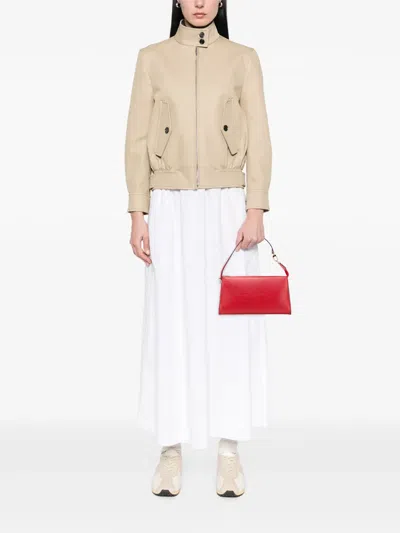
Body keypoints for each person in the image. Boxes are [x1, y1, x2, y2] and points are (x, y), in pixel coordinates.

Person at [124, 0, 272, 497]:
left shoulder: (243, 58)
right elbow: (136, 140)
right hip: (168, 204)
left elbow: (260, 137)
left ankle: (229, 453)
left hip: (229, 205)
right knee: (171, 322)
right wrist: (138, 211)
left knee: (231, 325)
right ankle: (170, 451)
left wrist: (256, 206)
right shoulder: (151, 58)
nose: (201, 2)